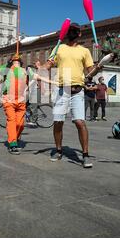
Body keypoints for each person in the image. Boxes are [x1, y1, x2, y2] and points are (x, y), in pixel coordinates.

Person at [37, 23, 103, 168]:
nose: (72, 32)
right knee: (58, 122)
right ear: (67, 33)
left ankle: (85, 155)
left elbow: (90, 71)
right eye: (69, 30)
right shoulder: (59, 47)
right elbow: (48, 65)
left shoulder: (84, 51)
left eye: (74, 30)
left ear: (79, 34)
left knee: (80, 122)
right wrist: (40, 69)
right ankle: (59, 150)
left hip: (78, 91)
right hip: (62, 91)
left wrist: (97, 68)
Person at [0, 54, 53, 154]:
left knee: (20, 125)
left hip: (21, 101)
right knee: (12, 121)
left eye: (18, 59)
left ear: (21, 62)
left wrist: (54, 82)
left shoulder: (25, 70)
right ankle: (13, 144)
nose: (16, 59)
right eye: (14, 59)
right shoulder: (6, 69)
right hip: (8, 99)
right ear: (11, 61)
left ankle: (14, 139)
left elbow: (39, 76)